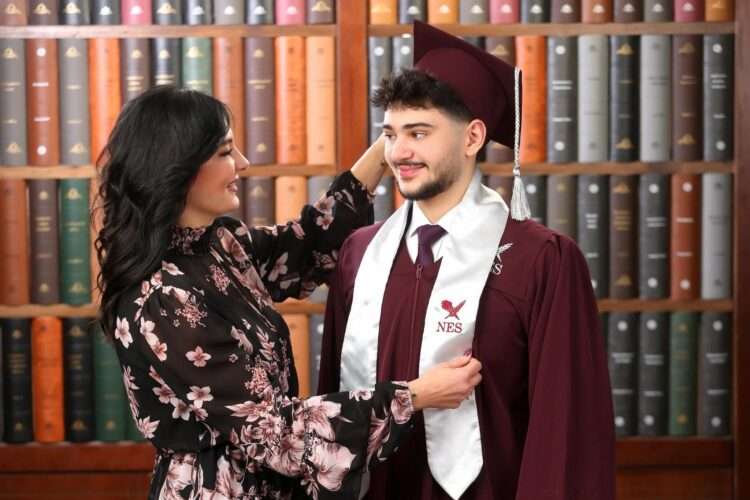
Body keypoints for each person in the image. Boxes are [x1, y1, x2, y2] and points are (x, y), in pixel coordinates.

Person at [94, 85, 483, 499]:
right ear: (179, 167)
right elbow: (275, 430)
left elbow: (310, 243)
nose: (242, 162)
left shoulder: (219, 246)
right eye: (225, 152)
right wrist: (415, 396)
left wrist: (392, 146)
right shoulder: (163, 298)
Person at [318, 21, 615, 500]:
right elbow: (333, 409)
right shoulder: (360, 255)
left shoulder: (541, 261)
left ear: (473, 137)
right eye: (390, 134)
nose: (399, 152)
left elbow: (565, 431)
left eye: (419, 132)